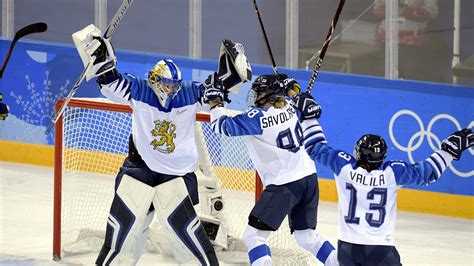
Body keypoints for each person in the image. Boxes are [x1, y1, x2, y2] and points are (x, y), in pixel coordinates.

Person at [73, 25, 250, 265]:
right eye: (168, 85)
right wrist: (102, 60)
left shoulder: (188, 93)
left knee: (191, 243)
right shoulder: (139, 90)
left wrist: (231, 73)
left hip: (177, 176)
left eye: (175, 85)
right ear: (156, 81)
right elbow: (111, 85)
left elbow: (214, 91)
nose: (172, 90)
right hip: (141, 170)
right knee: (123, 239)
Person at [293, 92, 474, 265]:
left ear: (358, 153)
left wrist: (309, 117)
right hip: (380, 251)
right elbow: (427, 173)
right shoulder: (392, 173)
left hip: (348, 249)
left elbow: (316, 147)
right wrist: (449, 150)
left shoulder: (343, 166)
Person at [202, 73, 338, 266]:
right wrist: (291, 86)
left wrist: (215, 102)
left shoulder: (257, 117)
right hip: (309, 179)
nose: (254, 97)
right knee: (306, 236)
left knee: (254, 236)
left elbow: (220, 126)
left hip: (284, 184)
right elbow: (297, 94)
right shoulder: (293, 106)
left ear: (266, 96)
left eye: (258, 93)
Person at [373, 0, 449, 83]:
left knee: (410, 77)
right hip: (387, 39)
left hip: (412, 41)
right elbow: (377, 9)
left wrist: (397, 11)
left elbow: (431, 11)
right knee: (385, 75)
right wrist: (402, 11)